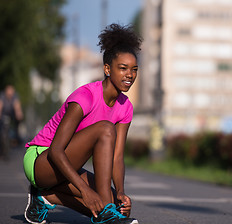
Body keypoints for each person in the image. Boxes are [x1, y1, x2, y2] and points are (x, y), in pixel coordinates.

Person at [23, 23, 142, 224]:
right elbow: (56, 151)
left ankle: (45, 197)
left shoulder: (125, 107)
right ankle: (105, 212)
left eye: (134, 69)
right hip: (41, 161)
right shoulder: (85, 97)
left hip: (67, 164)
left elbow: (117, 156)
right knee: (105, 129)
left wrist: (121, 192)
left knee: (119, 207)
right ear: (107, 69)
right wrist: (85, 190)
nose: (129, 75)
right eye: (122, 68)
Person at [0, 84, 23, 157]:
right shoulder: (2, 96)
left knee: (18, 121)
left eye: (12, 92)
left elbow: (17, 107)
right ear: (6, 91)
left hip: (12, 115)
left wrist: (19, 114)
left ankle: (16, 135)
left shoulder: (15, 97)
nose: (11, 94)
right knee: (3, 130)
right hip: (4, 114)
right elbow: (0, 106)